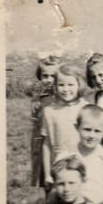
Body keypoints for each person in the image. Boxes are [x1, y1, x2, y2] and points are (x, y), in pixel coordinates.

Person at [55, 104, 103, 204]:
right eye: (87, 129)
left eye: (97, 131)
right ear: (77, 127)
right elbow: (55, 189)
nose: (91, 135)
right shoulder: (64, 157)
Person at [41, 64, 89, 188]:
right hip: (58, 165)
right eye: (61, 85)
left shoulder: (86, 108)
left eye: (70, 84)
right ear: (55, 86)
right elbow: (46, 144)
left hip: (84, 164)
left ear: (79, 85)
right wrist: (47, 174)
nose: (65, 89)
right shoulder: (50, 111)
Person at [31, 54, 60, 187]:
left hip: (58, 140)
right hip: (42, 142)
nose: (49, 80)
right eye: (45, 76)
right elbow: (36, 122)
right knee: (43, 174)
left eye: (53, 76)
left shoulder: (63, 97)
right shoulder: (39, 99)